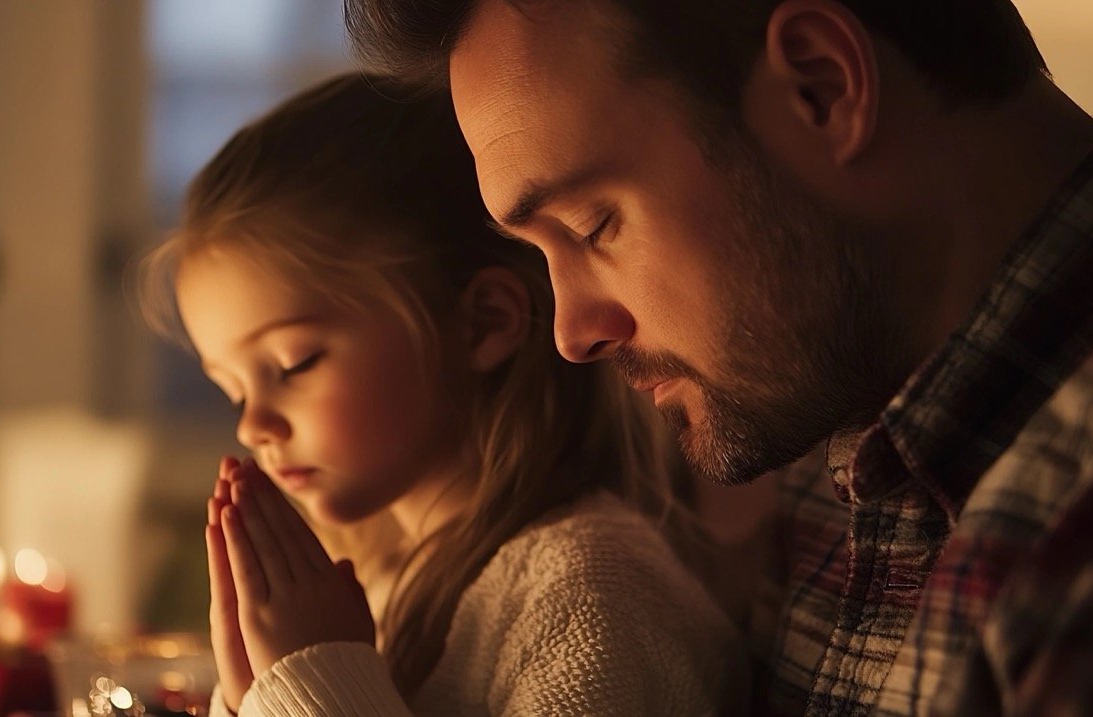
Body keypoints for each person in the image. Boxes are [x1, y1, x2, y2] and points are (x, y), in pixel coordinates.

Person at [344, 0, 1093, 714]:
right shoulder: (840, 408)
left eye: (591, 225)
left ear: (823, 89)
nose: (572, 332)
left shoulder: (1076, 546)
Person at [141, 73, 746, 715]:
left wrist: (317, 681)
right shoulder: (371, 585)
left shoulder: (593, 596)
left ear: (482, 323)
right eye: (231, 390)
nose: (253, 425)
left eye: (295, 363)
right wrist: (254, 698)